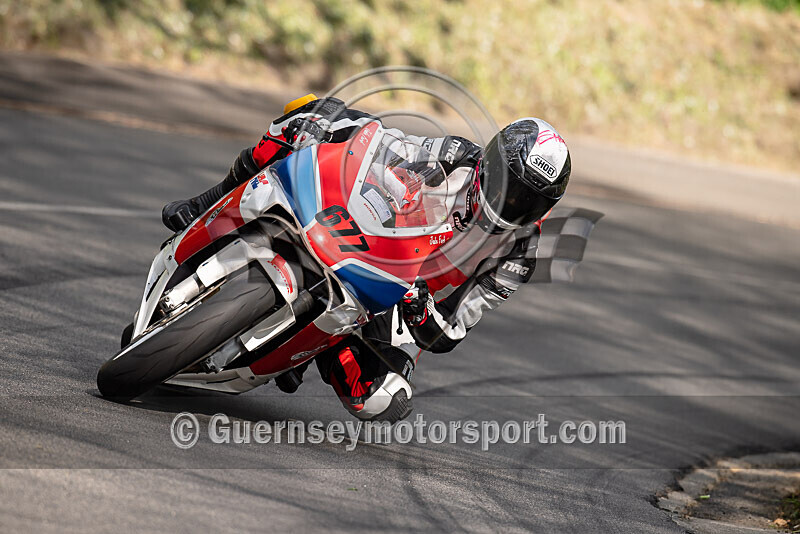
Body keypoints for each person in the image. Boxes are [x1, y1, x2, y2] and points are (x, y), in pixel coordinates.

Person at [162, 94, 571, 423]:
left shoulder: (518, 253)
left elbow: (447, 333)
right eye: (509, 185)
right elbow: (386, 146)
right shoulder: (456, 157)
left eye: (528, 201)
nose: (511, 202)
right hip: (376, 239)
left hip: (404, 301)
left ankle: (323, 343)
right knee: (303, 114)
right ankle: (211, 202)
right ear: (492, 158)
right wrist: (328, 122)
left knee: (382, 400)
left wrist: (419, 305)